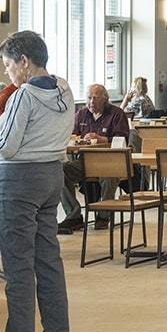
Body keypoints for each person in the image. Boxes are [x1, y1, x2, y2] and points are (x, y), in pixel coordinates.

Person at [0, 30, 73, 332]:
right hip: (51, 175)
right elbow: (36, 130)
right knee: (48, 257)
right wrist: (3, 121)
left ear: (24, 61)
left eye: (9, 65)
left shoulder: (24, 95)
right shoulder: (64, 87)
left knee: (17, 261)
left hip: (17, 181)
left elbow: (5, 149)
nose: (8, 73)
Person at [62, 84, 131, 233]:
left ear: (105, 99)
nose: (91, 102)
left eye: (95, 98)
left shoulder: (116, 114)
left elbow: (123, 139)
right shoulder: (81, 115)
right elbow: (72, 136)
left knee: (108, 176)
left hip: (111, 161)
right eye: (89, 98)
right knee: (59, 171)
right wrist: (77, 141)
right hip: (84, 161)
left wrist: (102, 139)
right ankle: (73, 215)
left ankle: (103, 216)